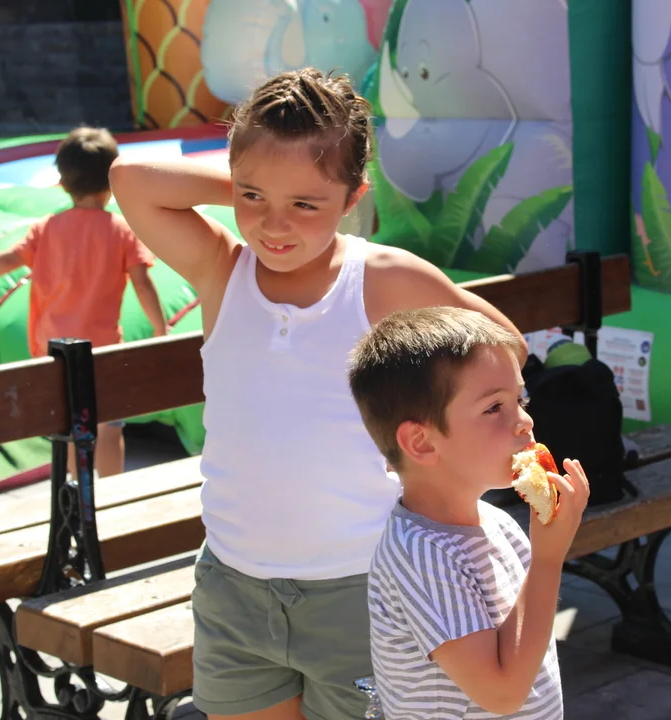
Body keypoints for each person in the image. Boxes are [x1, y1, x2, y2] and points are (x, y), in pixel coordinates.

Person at [107, 67, 527, 720]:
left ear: (353, 196)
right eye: (253, 197)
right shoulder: (222, 269)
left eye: (306, 204)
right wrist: (258, 179)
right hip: (235, 587)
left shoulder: (382, 279)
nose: (273, 224)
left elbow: (506, 347)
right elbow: (129, 179)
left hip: (363, 588)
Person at [347, 306, 590, 720]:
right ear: (422, 443)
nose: (524, 421)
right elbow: (502, 694)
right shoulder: (422, 554)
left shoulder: (498, 523)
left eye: (520, 399)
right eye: (494, 408)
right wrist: (548, 559)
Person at [0, 126, 167, 478]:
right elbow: (143, 284)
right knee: (109, 428)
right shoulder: (120, 230)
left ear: (63, 182)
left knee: (72, 429)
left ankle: (76, 491)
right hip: (103, 351)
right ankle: (115, 492)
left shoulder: (48, 228)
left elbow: (7, 260)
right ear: (112, 182)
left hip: (56, 352)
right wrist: (160, 330)